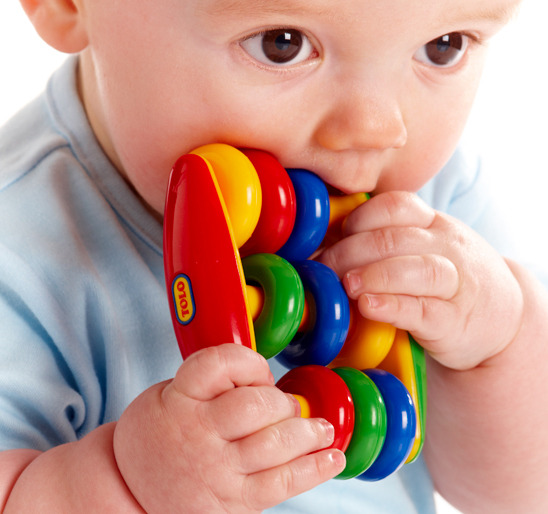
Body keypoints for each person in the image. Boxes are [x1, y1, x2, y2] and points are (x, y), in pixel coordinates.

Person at [1, 0, 546, 512]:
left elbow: (518, 494)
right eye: (280, 43)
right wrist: (126, 483)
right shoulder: (19, 251)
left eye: (443, 45)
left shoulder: (439, 208)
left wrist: (500, 342)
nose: (377, 128)